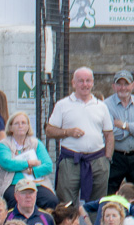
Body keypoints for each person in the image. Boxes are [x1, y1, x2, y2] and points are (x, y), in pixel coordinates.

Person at [46, 67, 115, 204]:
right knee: (66, 203)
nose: (85, 84)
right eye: (81, 81)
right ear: (73, 83)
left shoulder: (101, 106)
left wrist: (107, 159)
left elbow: (109, 134)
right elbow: (49, 131)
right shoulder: (62, 105)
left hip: (97, 160)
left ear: (93, 83)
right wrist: (68, 132)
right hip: (71, 160)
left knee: (97, 203)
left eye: (88, 81)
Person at [105, 71, 134, 222]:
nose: (123, 87)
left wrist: (124, 125)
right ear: (114, 86)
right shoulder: (106, 105)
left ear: (132, 85)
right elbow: (110, 131)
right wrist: (133, 130)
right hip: (116, 155)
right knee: (110, 195)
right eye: (119, 84)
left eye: (126, 84)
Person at [0, 111, 56, 209]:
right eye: (16, 123)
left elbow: (48, 166)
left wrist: (32, 171)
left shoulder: (36, 143)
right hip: (13, 184)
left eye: (23, 123)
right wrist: (29, 163)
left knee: (51, 200)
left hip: (35, 183)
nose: (20, 126)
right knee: (14, 201)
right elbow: (6, 163)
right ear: (10, 127)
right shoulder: (4, 144)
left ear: (28, 126)